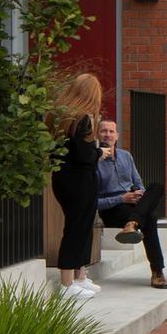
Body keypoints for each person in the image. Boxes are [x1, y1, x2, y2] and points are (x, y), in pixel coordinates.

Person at [95, 118, 167, 289]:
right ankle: (157, 272)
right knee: (149, 219)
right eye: (104, 131)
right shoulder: (94, 163)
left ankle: (132, 223)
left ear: (117, 135)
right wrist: (122, 198)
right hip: (113, 209)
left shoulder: (126, 156)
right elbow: (93, 202)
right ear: (97, 135)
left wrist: (139, 194)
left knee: (157, 186)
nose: (107, 135)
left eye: (111, 131)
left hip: (134, 205)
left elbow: (139, 183)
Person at [50, 74, 104, 299]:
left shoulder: (62, 116)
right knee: (77, 228)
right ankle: (67, 283)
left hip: (64, 179)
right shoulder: (82, 119)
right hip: (80, 180)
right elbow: (84, 155)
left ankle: (80, 275)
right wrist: (100, 152)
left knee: (81, 226)